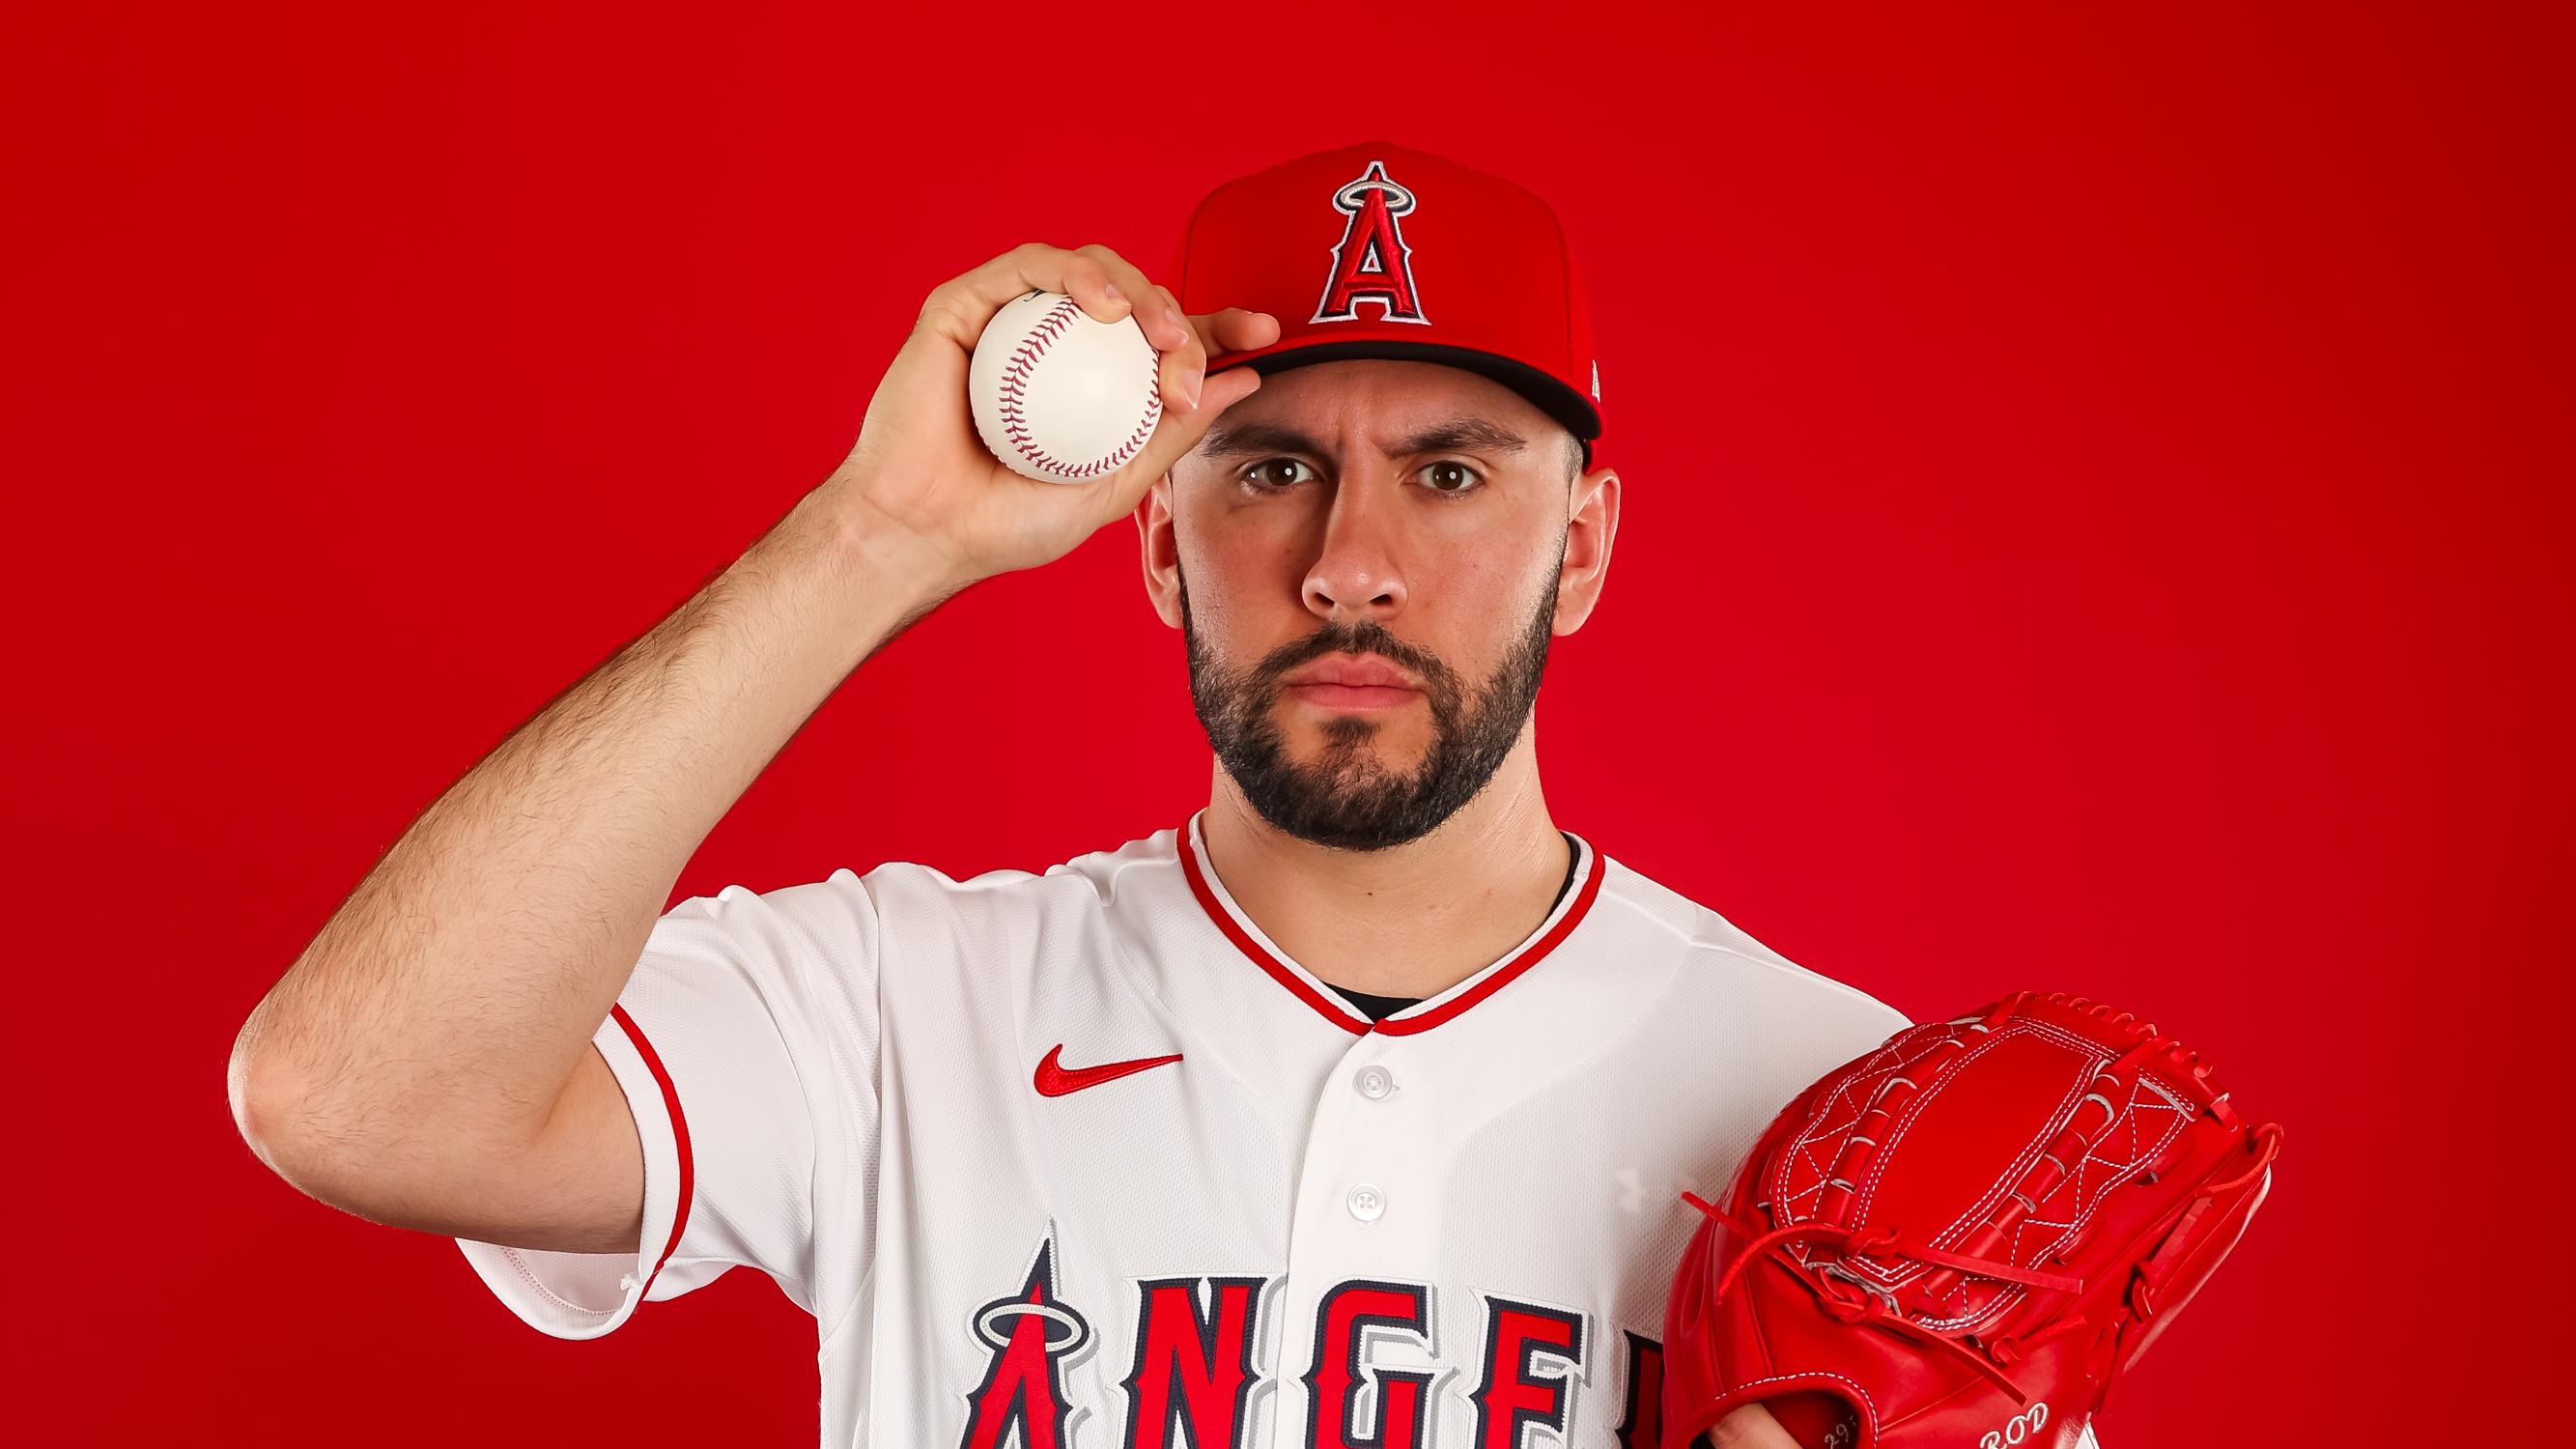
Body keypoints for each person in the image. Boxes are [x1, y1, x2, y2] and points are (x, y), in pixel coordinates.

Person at [228, 140, 1958, 1448]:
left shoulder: (1840, 1114)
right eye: (1272, 468)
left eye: (1449, 473)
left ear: (1579, 550)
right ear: (1153, 545)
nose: (1350, 565)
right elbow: (351, 1101)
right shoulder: (898, 1007)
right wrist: (877, 537)